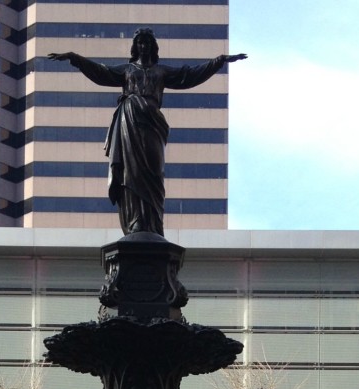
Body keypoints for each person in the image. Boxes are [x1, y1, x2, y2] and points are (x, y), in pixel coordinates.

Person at [49, 29, 246, 236]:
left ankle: (153, 224)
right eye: (140, 43)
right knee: (131, 172)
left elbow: (188, 76)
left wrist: (219, 61)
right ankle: (135, 222)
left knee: (153, 172)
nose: (144, 46)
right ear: (135, 47)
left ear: (153, 47)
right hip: (129, 122)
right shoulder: (127, 70)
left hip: (153, 125)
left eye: (147, 43)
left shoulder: (161, 71)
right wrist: (76, 59)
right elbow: (101, 72)